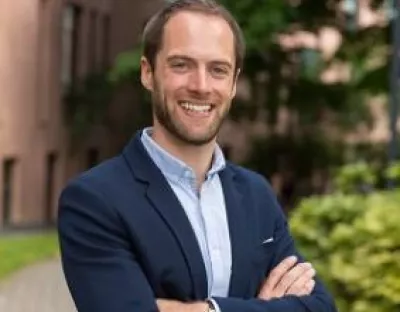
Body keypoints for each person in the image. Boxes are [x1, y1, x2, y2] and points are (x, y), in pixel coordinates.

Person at [57, 0, 337, 311]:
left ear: (233, 84)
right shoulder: (95, 200)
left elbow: (319, 306)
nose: (201, 86)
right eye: (181, 65)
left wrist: (204, 310)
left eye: (218, 70)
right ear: (147, 73)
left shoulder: (256, 194)